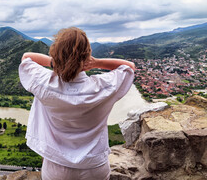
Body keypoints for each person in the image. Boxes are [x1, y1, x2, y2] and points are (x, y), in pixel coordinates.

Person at [18, 27, 135, 180]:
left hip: (56, 167)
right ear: (88, 55)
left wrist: (58, 63)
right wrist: (96, 63)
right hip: (94, 167)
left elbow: (27, 57)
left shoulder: (44, 83)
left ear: (55, 54)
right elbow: (129, 67)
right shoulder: (103, 87)